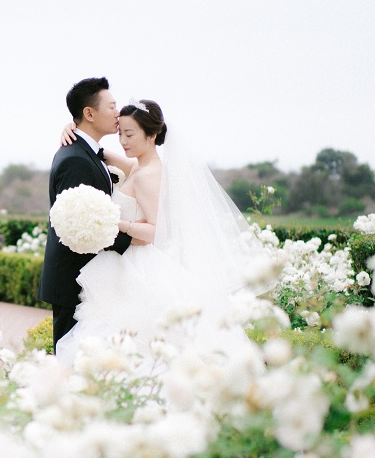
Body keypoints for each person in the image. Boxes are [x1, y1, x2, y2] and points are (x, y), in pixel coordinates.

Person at [54, 98, 274, 368]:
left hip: (140, 262)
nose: (122, 140)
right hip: (130, 259)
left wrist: (113, 221)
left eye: (130, 134)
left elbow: (156, 231)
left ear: (152, 134)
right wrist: (72, 130)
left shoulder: (149, 174)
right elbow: (100, 152)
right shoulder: (139, 166)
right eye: (121, 132)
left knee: (136, 338)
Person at [38, 77, 134, 351]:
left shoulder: (88, 153)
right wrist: (137, 242)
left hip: (87, 278)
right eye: (112, 106)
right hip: (76, 281)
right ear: (89, 113)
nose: (118, 113)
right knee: (73, 363)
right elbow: (83, 227)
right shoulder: (76, 160)